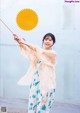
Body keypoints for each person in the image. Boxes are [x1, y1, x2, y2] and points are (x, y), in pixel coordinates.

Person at [13, 33, 57, 113]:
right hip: (36, 82)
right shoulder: (38, 54)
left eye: (50, 40)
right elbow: (29, 52)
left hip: (46, 84)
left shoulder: (52, 54)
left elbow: (37, 49)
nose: (47, 41)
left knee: (42, 104)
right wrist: (19, 42)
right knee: (32, 102)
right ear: (43, 41)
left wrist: (24, 42)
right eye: (46, 39)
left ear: (53, 43)